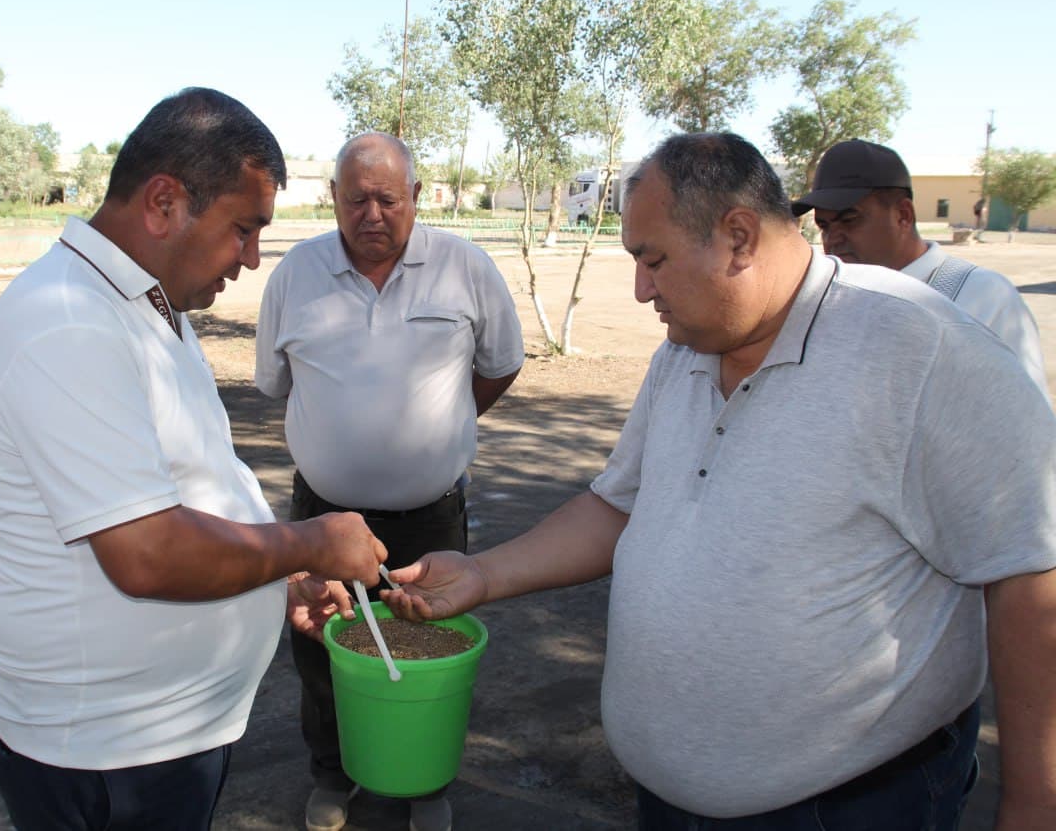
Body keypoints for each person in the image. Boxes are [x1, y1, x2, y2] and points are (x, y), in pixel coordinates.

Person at [383, 132, 1056, 831]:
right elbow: (618, 506)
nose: (642, 289)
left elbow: (1029, 574)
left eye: (653, 260)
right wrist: (481, 576)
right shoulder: (685, 352)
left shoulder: (920, 347)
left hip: (851, 805)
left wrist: (1035, 804)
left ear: (738, 236)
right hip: (667, 799)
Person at [0, 87, 386, 831]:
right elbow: (147, 553)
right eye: (244, 229)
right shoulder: (67, 321)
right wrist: (312, 540)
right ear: (163, 202)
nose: (253, 259)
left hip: (160, 741)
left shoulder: (147, 305)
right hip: (103, 757)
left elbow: (189, 489)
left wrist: (272, 576)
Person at [254, 131, 524, 831]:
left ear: (417, 197)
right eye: (355, 200)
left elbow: (499, 365)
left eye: (388, 198)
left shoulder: (466, 268)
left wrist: (443, 427)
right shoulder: (295, 275)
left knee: (430, 649)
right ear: (333, 200)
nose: (371, 214)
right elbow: (279, 383)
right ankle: (331, 774)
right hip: (323, 517)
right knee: (323, 656)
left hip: (430, 517)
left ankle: (424, 782)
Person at [791, 138, 1048, 397]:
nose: (833, 238)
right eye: (824, 226)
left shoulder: (982, 298)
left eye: (849, 219)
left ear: (903, 215)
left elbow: (1029, 425)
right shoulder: (829, 301)